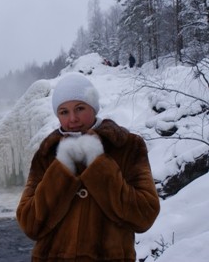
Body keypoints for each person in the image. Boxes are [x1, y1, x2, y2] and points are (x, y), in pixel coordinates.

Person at [16, 72, 160, 262]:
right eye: (64, 112)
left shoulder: (126, 146)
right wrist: (62, 169)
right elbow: (29, 223)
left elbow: (145, 214)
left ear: (93, 107)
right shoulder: (46, 153)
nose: (73, 119)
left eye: (80, 108)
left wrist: (98, 163)